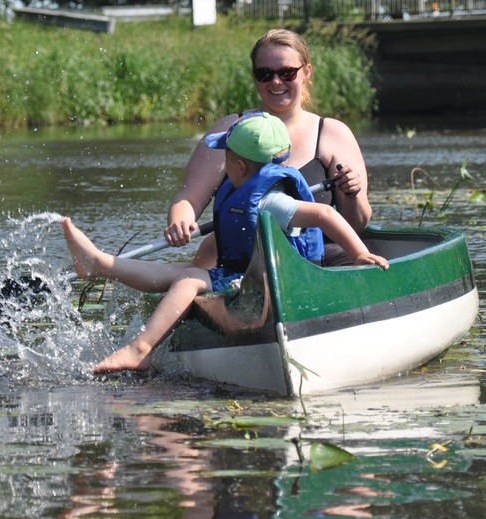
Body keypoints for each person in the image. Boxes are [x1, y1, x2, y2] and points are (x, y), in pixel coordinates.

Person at [62, 113, 388, 374]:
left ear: (240, 166)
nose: (224, 164)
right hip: (244, 275)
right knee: (177, 273)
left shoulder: (270, 201)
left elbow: (322, 214)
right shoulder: (248, 189)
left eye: (227, 158)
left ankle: (140, 350)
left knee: (187, 279)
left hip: (279, 285)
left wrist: (359, 253)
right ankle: (100, 264)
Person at [165, 28, 372, 268]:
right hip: (245, 261)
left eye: (286, 73)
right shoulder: (230, 130)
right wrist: (180, 220)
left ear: (306, 73)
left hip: (316, 259)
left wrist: (352, 195)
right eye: (265, 74)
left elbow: (357, 224)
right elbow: (189, 198)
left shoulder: (333, 133)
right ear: (255, 78)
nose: (276, 81)